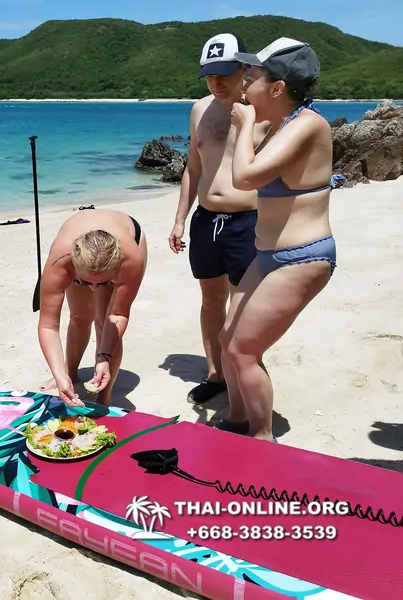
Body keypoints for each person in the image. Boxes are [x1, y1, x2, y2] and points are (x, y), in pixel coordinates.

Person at [218, 38, 339, 442]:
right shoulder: (282, 125)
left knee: (243, 350)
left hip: (301, 258)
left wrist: (245, 126)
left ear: (277, 87)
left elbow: (245, 177)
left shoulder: (307, 125)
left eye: (251, 77)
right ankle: (236, 420)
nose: (244, 85)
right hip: (268, 254)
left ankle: (262, 438)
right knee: (227, 338)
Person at [169, 32, 272, 406]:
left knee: (245, 305)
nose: (218, 81)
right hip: (205, 219)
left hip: (248, 222)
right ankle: (216, 373)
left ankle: (245, 368)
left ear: (244, 68)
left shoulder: (260, 109)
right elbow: (192, 169)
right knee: (211, 301)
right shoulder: (199, 109)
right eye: (211, 74)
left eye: (226, 72)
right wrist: (180, 220)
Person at [37, 209, 148, 407]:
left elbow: (118, 315)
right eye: (86, 281)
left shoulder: (131, 259)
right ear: (73, 265)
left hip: (126, 233)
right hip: (81, 246)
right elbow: (48, 326)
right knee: (79, 317)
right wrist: (58, 372)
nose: (94, 289)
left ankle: (104, 397)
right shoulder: (60, 259)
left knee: (103, 322)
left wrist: (104, 357)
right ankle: (70, 374)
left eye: (104, 282)